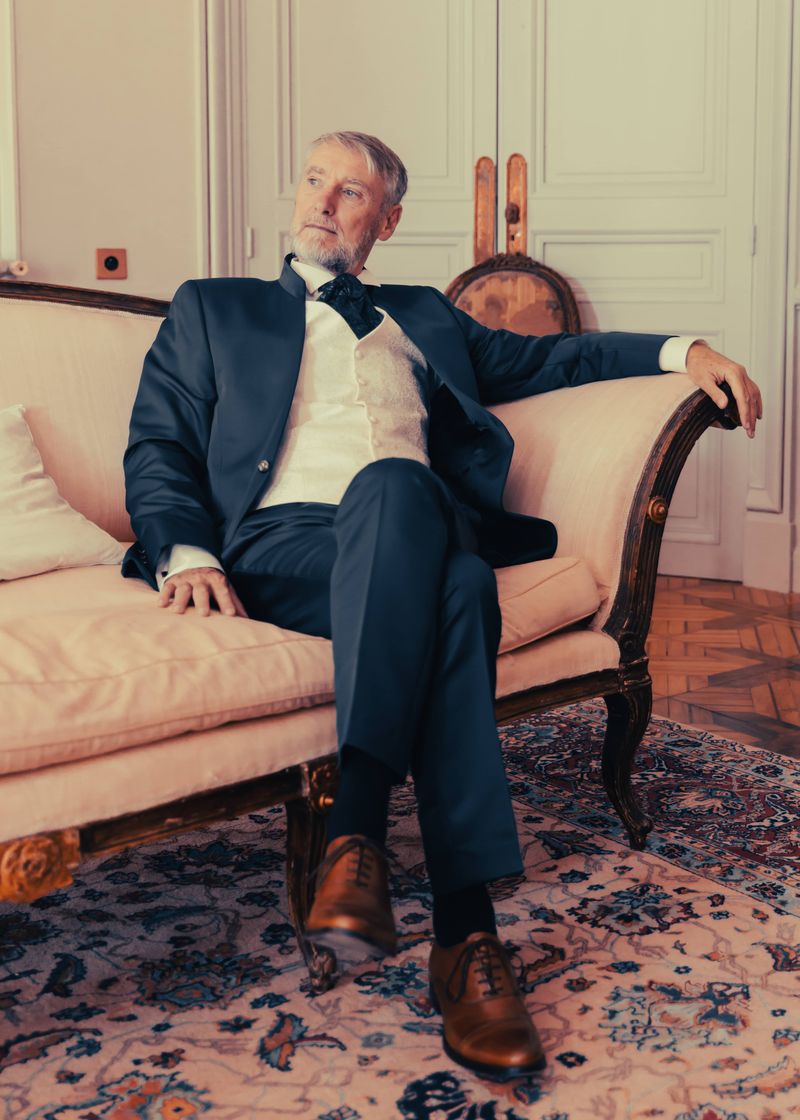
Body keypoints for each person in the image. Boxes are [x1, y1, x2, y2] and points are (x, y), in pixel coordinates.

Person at [123, 130, 762, 1081]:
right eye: (314, 180)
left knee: (424, 526)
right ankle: (463, 936)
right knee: (449, 573)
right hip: (284, 543)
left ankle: (366, 848)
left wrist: (687, 348)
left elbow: (562, 359)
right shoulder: (215, 307)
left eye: (350, 191)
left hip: (414, 528)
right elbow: (158, 444)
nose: (323, 201)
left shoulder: (425, 314)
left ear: (387, 220)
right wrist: (185, 549)